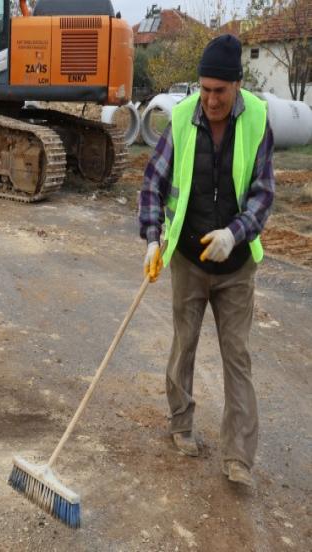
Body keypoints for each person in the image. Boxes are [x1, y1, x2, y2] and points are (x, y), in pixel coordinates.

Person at [139, 34, 274, 487]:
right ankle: (181, 424)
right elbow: (153, 183)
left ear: (237, 85)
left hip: (236, 268)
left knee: (237, 357)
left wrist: (234, 234)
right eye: (204, 89)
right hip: (188, 259)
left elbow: (262, 194)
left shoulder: (256, 121)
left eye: (219, 90)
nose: (210, 100)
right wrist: (153, 239)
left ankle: (238, 457)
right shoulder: (181, 119)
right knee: (184, 345)